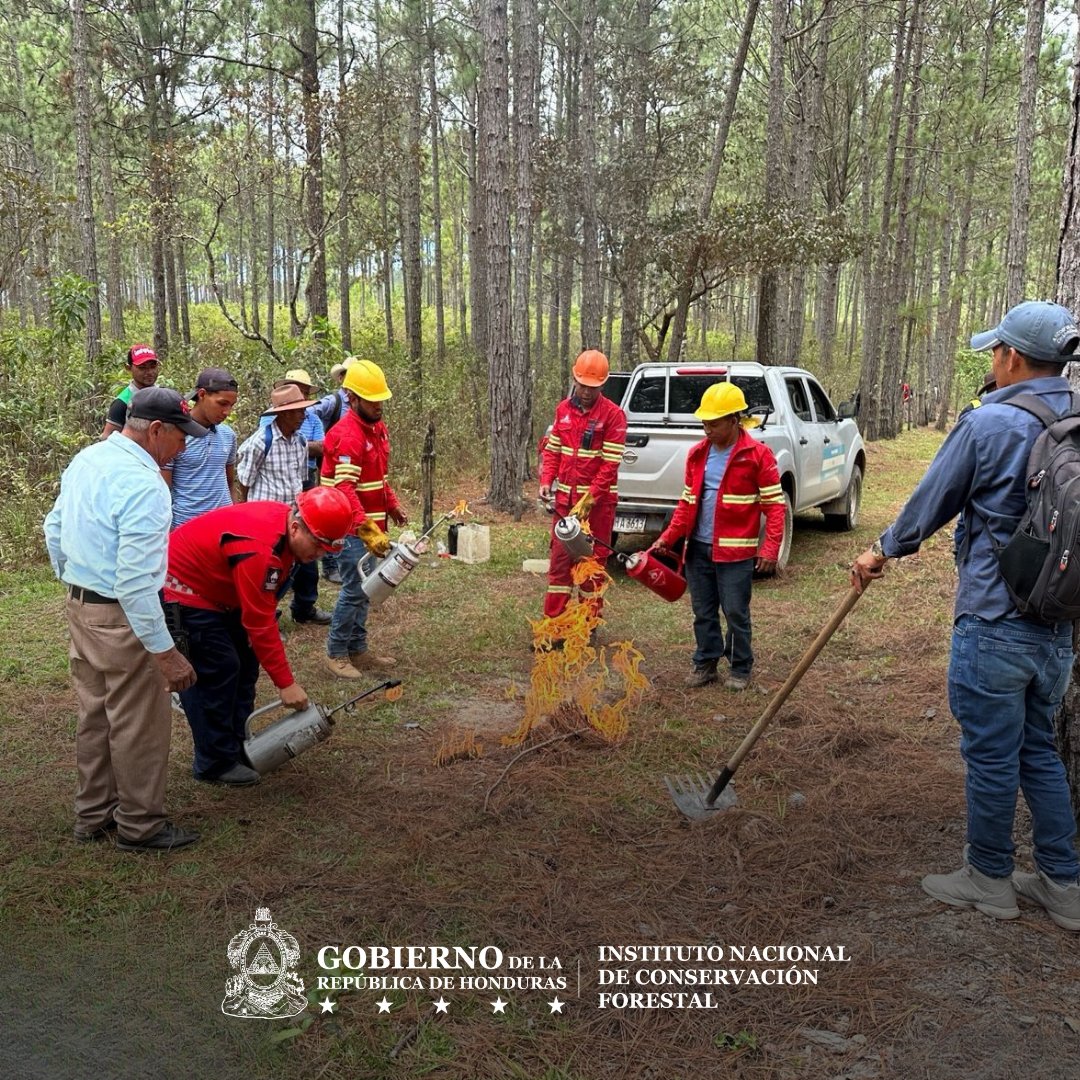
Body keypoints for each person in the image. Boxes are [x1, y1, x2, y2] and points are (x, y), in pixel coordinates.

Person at [851, 300, 1080, 932]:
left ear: (1011, 356)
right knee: (1038, 750)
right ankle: (1063, 886)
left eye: (994, 351)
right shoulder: (1076, 417)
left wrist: (880, 550)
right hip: (1057, 628)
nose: (992, 361)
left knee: (990, 755)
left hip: (993, 619)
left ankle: (989, 878)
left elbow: (932, 502)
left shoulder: (990, 424)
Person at [45, 387, 205, 853]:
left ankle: (93, 814)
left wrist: (75, 580)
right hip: (120, 614)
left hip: (83, 607)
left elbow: (53, 526)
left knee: (95, 714)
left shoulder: (88, 459)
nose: (184, 446)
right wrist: (166, 653)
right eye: (180, 437)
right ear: (155, 430)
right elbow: (136, 583)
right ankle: (140, 824)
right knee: (137, 721)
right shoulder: (146, 483)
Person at [165, 486, 354, 785]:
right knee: (219, 668)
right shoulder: (259, 550)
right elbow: (259, 621)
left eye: (326, 551)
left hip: (224, 593)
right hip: (185, 588)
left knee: (245, 665)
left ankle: (238, 746)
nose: (319, 555)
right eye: (318, 546)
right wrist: (286, 684)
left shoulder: (286, 535)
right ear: (296, 526)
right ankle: (213, 763)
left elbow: (260, 611)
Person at [653, 383, 785, 691]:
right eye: (704, 422)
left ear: (733, 420)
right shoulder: (698, 454)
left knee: (736, 611)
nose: (706, 428)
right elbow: (687, 504)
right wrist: (668, 537)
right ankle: (706, 663)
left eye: (713, 423)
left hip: (736, 554)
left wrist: (770, 549)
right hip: (698, 549)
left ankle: (740, 667)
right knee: (703, 610)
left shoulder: (758, 456)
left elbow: (775, 508)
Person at [321, 359, 406, 679]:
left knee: (366, 589)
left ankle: (358, 648)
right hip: (349, 527)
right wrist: (367, 529)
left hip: (370, 526)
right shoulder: (348, 435)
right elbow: (344, 488)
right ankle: (336, 652)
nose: (379, 406)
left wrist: (392, 505)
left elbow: (377, 477)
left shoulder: (377, 428)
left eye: (381, 399)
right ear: (352, 399)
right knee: (355, 589)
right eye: (372, 401)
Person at [538, 349, 627, 628]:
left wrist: (586, 504)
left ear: (602, 384)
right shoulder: (563, 410)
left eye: (593, 387)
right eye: (582, 385)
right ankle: (554, 625)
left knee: (592, 567)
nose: (587, 392)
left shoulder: (614, 416)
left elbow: (609, 467)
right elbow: (553, 451)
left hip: (597, 508)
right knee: (560, 565)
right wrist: (545, 481)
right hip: (565, 503)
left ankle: (586, 627)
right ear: (574, 380)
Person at [251, 377, 331, 625]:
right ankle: (262, 617)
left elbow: (300, 476)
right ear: (283, 414)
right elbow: (244, 480)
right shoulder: (259, 442)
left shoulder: (299, 442)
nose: (303, 417)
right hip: (266, 520)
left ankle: (298, 608)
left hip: (292, 516)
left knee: (295, 566)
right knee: (265, 572)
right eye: (298, 412)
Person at [163, 367, 239, 529]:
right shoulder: (175, 436)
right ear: (202, 395)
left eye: (231, 405)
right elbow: (163, 491)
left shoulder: (228, 435)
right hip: (187, 529)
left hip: (224, 527)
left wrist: (235, 516)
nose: (227, 412)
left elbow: (229, 483)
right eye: (222, 403)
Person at [314, 357, 356, 584]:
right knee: (330, 514)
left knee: (348, 515)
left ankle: (343, 561)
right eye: (348, 374)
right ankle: (329, 566)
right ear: (341, 377)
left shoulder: (359, 403)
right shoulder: (333, 402)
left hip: (352, 469)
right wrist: (321, 442)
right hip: (331, 471)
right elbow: (309, 414)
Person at [100, 345, 160, 438]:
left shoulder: (164, 396)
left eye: (152, 367)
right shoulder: (122, 403)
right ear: (128, 368)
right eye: (142, 367)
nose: (149, 372)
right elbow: (107, 439)